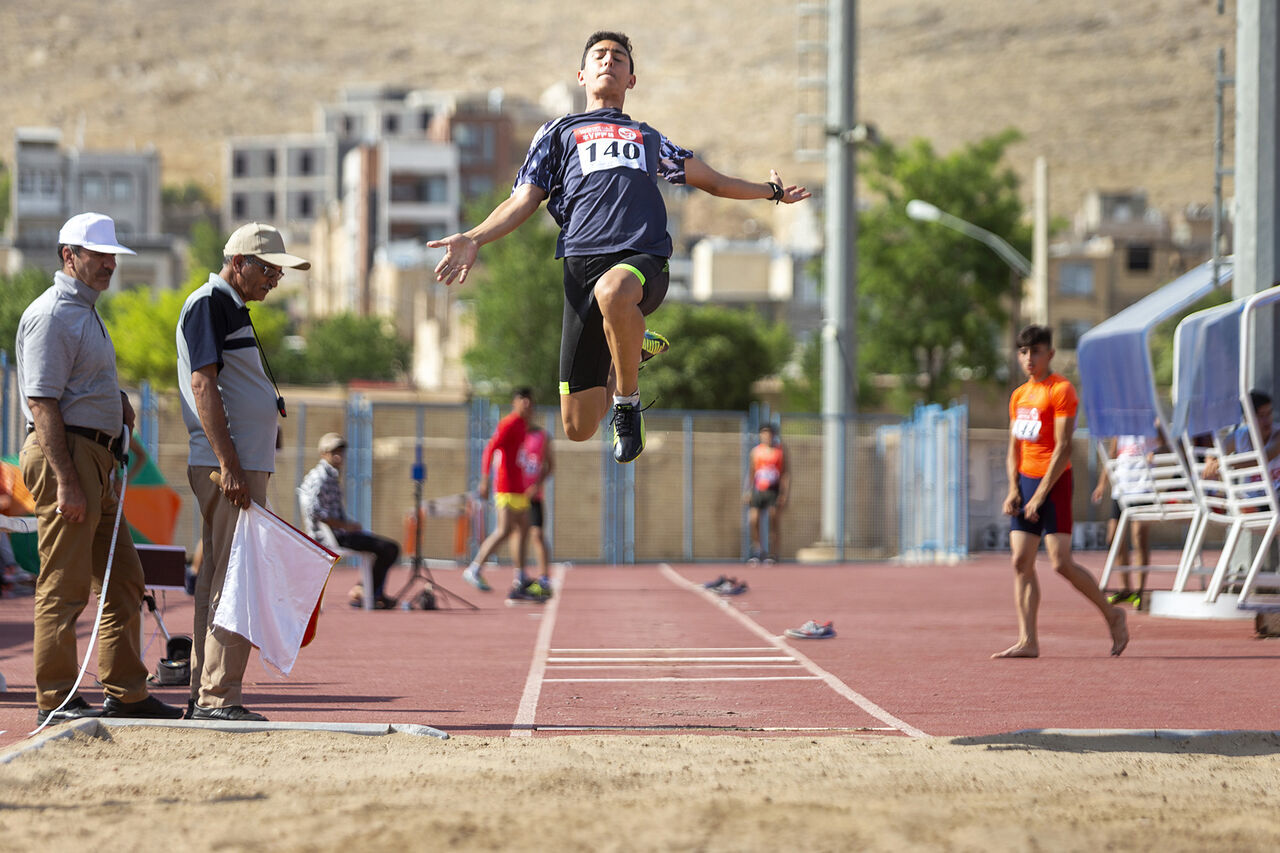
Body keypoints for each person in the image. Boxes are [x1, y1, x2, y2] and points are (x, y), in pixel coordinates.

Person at [428, 31, 810, 464]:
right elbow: (523, 200)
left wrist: (771, 192)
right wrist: (473, 237)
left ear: (631, 79)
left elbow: (715, 181)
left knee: (614, 292)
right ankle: (630, 346)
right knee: (577, 426)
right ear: (582, 75)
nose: (609, 60)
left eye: (619, 57)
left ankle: (627, 405)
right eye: (599, 55)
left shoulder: (649, 140)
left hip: (642, 259)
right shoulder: (557, 133)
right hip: (580, 269)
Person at [16, 212, 182, 724]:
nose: (110, 264)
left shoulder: (83, 311)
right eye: (100, 254)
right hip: (67, 454)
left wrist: (116, 403)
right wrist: (67, 479)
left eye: (113, 256)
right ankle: (56, 699)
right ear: (70, 256)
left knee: (125, 580)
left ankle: (126, 692)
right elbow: (42, 402)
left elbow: (74, 386)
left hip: (95, 456)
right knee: (64, 585)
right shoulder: (52, 314)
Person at [176, 221, 310, 721]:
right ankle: (218, 697)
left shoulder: (227, 306)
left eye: (279, 271)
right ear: (239, 263)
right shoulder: (210, 302)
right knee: (238, 580)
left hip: (235, 463)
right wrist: (231, 465)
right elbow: (203, 385)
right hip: (229, 466)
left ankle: (204, 693)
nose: (275, 279)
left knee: (218, 578)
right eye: (269, 269)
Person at [995, 324, 1128, 659]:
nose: (1029, 358)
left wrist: (1040, 495)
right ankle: (1028, 640)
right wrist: (1014, 488)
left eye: (1036, 351)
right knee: (1020, 562)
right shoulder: (1019, 396)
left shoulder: (1061, 390)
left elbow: (1064, 447)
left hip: (1054, 484)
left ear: (1049, 354)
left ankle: (1112, 614)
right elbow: (1014, 447)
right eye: (1023, 352)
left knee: (1060, 562)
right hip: (1025, 483)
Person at [461, 388, 549, 601]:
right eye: (523, 402)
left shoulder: (523, 425)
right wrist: (484, 479)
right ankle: (474, 569)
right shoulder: (508, 423)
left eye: (530, 402)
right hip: (505, 486)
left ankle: (520, 576)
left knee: (525, 529)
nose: (527, 406)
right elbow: (490, 449)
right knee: (504, 530)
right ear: (515, 402)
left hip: (519, 487)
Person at [299, 432, 401, 609]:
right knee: (389, 548)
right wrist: (345, 526)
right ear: (323, 453)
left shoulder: (329, 475)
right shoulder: (321, 477)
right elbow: (315, 511)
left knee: (382, 546)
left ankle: (367, 591)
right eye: (333, 452)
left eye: (341, 451)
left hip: (339, 533)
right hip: (332, 537)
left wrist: (351, 525)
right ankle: (367, 594)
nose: (339, 456)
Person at [1091, 433, 1159, 606]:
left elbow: (1168, 441)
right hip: (1122, 489)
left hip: (1143, 488)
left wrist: (1157, 453)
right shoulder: (1120, 428)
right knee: (1113, 537)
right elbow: (1112, 455)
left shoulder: (1150, 423)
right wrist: (1101, 484)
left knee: (1139, 536)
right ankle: (1125, 588)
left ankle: (1140, 590)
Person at [744, 422, 789, 564]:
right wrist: (748, 490)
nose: (766, 436)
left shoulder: (780, 451)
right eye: (763, 433)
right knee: (753, 519)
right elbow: (751, 473)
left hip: (773, 490)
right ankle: (758, 550)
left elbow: (785, 474)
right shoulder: (756, 452)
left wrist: (784, 494)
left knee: (773, 520)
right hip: (759, 489)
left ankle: (773, 553)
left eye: (769, 433)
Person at [519, 422, 555, 592]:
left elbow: (550, 466)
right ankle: (520, 575)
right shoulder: (512, 434)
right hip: (515, 494)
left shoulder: (541, 435)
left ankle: (544, 577)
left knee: (537, 534)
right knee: (517, 535)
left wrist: (536, 486)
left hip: (534, 496)